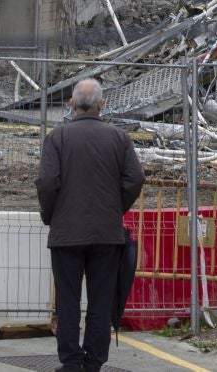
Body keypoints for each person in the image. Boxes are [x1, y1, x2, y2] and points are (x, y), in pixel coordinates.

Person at [37, 79, 144, 372]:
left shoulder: (57, 138)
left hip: (66, 233)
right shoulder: (119, 137)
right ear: (101, 105)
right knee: (101, 299)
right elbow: (135, 178)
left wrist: (52, 215)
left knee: (68, 300)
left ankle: (71, 361)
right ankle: (94, 361)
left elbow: (47, 182)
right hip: (106, 233)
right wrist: (116, 208)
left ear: (71, 104)